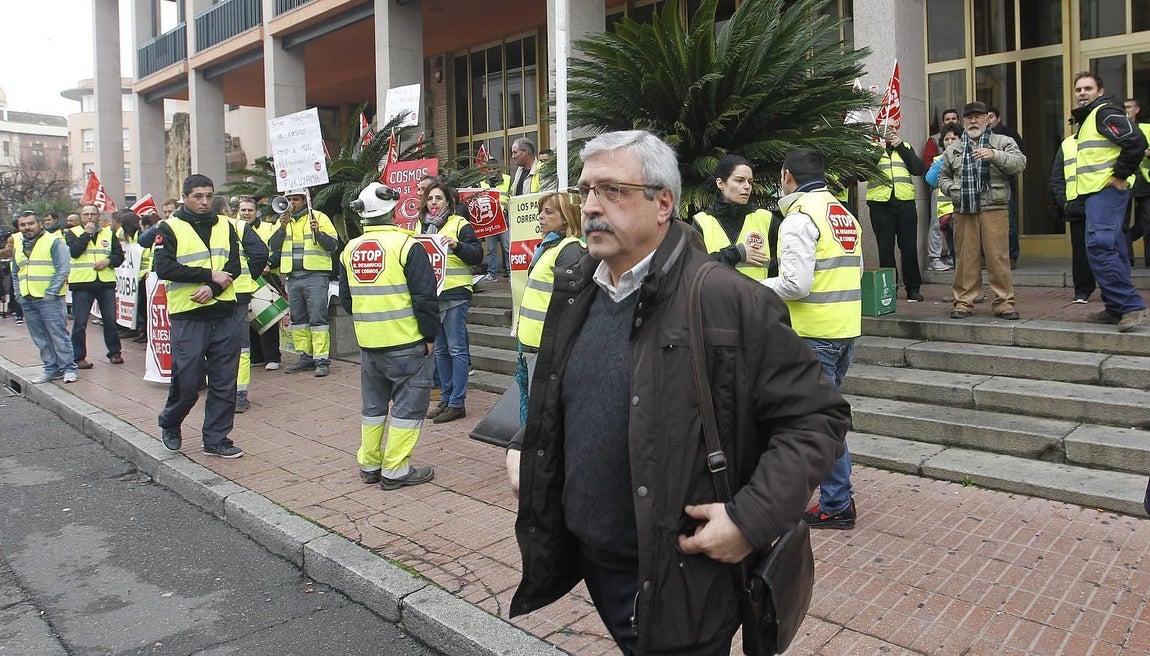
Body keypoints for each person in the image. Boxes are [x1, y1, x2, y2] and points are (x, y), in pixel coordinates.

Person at [505, 130, 848, 654]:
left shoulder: (727, 299)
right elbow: (568, 390)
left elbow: (817, 416)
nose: (591, 206)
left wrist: (750, 519)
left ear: (663, 203)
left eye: (612, 190)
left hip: (684, 578)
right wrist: (528, 445)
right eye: (586, 190)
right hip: (596, 562)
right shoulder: (578, 285)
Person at [764, 147, 864, 530]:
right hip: (844, 331)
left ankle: (836, 503)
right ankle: (834, 497)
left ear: (787, 176)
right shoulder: (842, 213)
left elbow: (795, 284)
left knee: (821, 423)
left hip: (814, 335)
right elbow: (854, 272)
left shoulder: (800, 217)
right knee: (826, 418)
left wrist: (750, 286)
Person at [339, 183, 440, 489]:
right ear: (392, 210)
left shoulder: (349, 249)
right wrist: (430, 336)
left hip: (369, 345)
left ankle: (369, 464)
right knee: (409, 408)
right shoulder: (407, 246)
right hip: (407, 343)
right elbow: (425, 298)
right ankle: (395, 469)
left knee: (373, 409)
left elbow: (346, 300)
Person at [154, 174, 244, 458]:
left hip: (224, 312)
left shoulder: (226, 225)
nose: (205, 202)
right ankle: (170, 422)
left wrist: (213, 287)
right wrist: (208, 275)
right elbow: (163, 268)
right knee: (188, 381)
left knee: (224, 381)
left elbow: (234, 266)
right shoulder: (169, 227)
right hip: (188, 315)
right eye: (198, 197)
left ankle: (217, 439)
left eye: (209, 196)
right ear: (185, 198)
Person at [1071, 73, 1149, 331]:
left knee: (1100, 247)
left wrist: (1120, 175)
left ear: (1100, 91)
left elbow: (1136, 142)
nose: (1082, 93)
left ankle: (1130, 306)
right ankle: (1116, 308)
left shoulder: (1104, 112)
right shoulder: (1090, 118)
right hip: (1097, 194)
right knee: (1112, 248)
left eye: (1088, 88)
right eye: (1079, 89)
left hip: (1106, 192)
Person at [938, 101, 1027, 320]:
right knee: (965, 259)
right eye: (969, 118)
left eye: (978, 117)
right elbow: (942, 176)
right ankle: (963, 302)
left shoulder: (1003, 142)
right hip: (964, 209)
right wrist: (953, 190)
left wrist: (994, 155)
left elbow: (1020, 163)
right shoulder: (954, 148)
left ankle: (1004, 303)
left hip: (994, 207)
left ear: (987, 119)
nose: (973, 121)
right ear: (963, 121)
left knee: (998, 258)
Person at [419, 181, 483, 424]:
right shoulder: (422, 227)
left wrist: (457, 246)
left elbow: (477, 255)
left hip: (456, 293)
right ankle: (446, 399)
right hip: (434, 295)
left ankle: (457, 402)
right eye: (430, 199)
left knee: (456, 349)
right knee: (441, 351)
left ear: (449, 202)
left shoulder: (459, 224)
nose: (434, 203)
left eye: (438, 198)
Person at [268, 189, 341, 376]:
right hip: (293, 277)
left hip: (316, 275)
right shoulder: (282, 220)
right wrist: (282, 228)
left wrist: (319, 233)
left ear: (304, 200)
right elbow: (273, 246)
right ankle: (306, 356)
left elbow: (333, 245)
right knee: (298, 320)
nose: (292, 203)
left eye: (296, 199)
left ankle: (321, 359)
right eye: (289, 199)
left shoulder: (319, 217)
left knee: (318, 318)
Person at [12, 211, 77, 384]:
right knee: (40, 337)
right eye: (23, 225)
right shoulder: (18, 244)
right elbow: (15, 271)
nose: (27, 227)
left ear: (40, 224)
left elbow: (63, 269)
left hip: (49, 299)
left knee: (58, 335)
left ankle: (69, 368)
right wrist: (19, 294)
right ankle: (51, 368)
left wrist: (51, 293)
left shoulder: (53, 241)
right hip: (27, 298)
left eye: (31, 223)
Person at [515, 191, 586, 349]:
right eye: (541, 211)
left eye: (548, 212)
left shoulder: (570, 250)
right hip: (539, 339)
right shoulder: (550, 247)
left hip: (552, 343)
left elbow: (571, 303)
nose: (540, 216)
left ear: (566, 218)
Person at [865, 123, 926, 302]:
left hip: (905, 204)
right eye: (886, 127)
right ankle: (889, 288)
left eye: (894, 127)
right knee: (885, 249)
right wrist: (877, 152)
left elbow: (918, 169)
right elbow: (862, 174)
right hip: (880, 205)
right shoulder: (871, 149)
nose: (891, 130)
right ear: (878, 131)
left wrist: (901, 147)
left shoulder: (905, 146)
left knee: (909, 248)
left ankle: (913, 288)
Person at [691, 154, 772, 280]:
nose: (747, 186)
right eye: (739, 180)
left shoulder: (765, 218)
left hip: (756, 293)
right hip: (715, 293)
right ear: (720, 183)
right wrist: (736, 253)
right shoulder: (701, 222)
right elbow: (690, 267)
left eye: (750, 182)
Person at [66, 203, 124, 368]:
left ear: (99, 216)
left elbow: (119, 256)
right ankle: (79, 357)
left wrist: (108, 261)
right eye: (86, 214)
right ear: (81, 217)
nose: (90, 217)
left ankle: (114, 352)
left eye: (93, 214)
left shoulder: (108, 233)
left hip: (105, 283)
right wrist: (87, 234)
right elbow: (74, 252)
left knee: (110, 320)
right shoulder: (72, 233)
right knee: (80, 322)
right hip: (82, 283)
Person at [229, 197, 270, 413]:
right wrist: (248, 276)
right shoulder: (238, 226)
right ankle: (238, 396)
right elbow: (261, 253)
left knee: (214, 346)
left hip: (206, 297)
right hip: (237, 293)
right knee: (241, 347)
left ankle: (220, 393)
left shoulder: (189, 228)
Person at [1051, 121, 1096, 304]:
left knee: (1108, 248)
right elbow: (1057, 177)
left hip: (1101, 203)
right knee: (1080, 252)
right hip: (1076, 205)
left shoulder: (1104, 142)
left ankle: (1113, 291)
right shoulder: (1067, 144)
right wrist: (1065, 203)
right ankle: (1082, 291)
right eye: (1077, 122)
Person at [988, 106, 1025, 268]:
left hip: (1004, 185)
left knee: (1008, 224)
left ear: (998, 118)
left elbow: (1019, 161)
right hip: (983, 188)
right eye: (985, 117)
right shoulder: (977, 137)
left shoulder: (1009, 136)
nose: (988, 120)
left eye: (991, 117)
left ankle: (1011, 256)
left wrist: (995, 156)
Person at [924, 109, 960, 271]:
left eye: (953, 138)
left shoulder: (967, 156)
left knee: (959, 231)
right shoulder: (939, 158)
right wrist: (944, 158)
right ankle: (935, 258)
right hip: (940, 199)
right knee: (936, 227)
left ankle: (956, 257)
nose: (950, 142)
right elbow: (930, 179)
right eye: (946, 139)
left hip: (959, 200)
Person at [1123, 98, 1150, 266]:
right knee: (1122, 223)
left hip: (1145, 180)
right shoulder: (1118, 129)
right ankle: (1127, 259)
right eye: (1124, 107)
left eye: (1128, 107)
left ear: (1137, 109)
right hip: (1125, 179)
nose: (1126, 110)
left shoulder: (1147, 128)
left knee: (1148, 221)